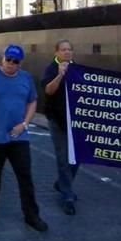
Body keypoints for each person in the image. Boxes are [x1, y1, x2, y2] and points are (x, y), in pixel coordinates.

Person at [0, 44, 48, 232]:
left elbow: (33, 101)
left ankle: (32, 216)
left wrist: (25, 124)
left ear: (20, 63)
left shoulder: (26, 78)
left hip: (19, 136)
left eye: (15, 61)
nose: (11, 64)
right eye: (8, 59)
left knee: (25, 176)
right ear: (3, 58)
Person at [41, 39, 78, 215]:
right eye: (63, 50)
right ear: (56, 52)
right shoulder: (51, 68)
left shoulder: (77, 69)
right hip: (57, 120)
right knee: (63, 158)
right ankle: (68, 196)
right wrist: (60, 74)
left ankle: (62, 183)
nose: (67, 52)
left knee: (77, 158)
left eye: (69, 50)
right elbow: (48, 90)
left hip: (75, 121)